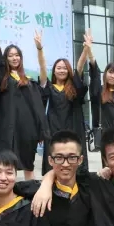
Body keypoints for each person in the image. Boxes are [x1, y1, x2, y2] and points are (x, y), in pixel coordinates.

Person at [0, 9, 49, 180]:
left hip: (27, 130)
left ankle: (30, 192)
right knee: (5, 166)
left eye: (17, 55)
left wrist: (39, 49)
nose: (14, 58)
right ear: (6, 59)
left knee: (28, 165)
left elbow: (43, 73)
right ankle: (4, 191)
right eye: (10, 55)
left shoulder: (28, 81)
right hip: (6, 129)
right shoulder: (1, 79)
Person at [36, 29, 92, 174]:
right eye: (58, 68)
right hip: (54, 129)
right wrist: (40, 49)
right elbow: (42, 68)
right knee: (55, 160)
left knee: (74, 160)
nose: (61, 70)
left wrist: (86, 49)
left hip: (73, 127)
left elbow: (79, 67)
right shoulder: (49, 87)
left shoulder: (73, 86)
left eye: (64, 68)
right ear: (54, 71)